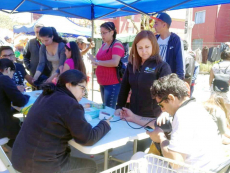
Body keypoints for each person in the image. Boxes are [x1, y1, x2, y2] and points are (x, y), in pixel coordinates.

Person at [12, 70, 111, 173]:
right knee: (91, 166)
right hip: (41, 166)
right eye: (82, 88)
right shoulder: (69, 104)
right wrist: (105, 124)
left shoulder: (47, 94)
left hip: (19, 159)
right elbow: (88, 138)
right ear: (69, 85)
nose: (83, 93)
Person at [125, 74, 224, 171]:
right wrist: (133, 117)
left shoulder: (182, 115)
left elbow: (176, 162)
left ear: (171, 98)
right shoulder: (196, 107)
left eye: (161, 104)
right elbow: (159, 124)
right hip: (209, 168)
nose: (162, 109)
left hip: (191, 169)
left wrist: (161, 138)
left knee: (138, 159)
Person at [115, 30, 171, 152]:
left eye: (147, 47)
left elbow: (167, 92)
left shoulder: (161, 66)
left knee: (143, 150)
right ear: (135, 48)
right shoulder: (131, 65)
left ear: (153, 46)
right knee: (132, 144)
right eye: (140, 48)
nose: (144, 51)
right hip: (133, 112)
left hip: (152, 116)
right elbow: (124, 87)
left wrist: (165, 111)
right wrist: (119, 106)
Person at [88, 22, 125, 109]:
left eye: (104, 33)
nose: (102, 35)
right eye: (101, 33)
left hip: (112, 84)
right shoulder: (104, 45)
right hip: (103, 83)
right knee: (105, 109)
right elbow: (100, 61)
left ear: (112, 32)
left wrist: (96, 61)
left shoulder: (117, 44)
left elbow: (115, 62)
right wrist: (94, 62)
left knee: (108, 111)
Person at [0, 58, 30, 147]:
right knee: (23, 128)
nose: (12, 77)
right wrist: (26, 96)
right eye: (12, 73)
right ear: (8, 69)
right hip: (3, 127)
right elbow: (20, 101)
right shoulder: (4, 79)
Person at [153, 12, 185, 80]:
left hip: (168, 83)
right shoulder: (154, 39)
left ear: (164, 25)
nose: (153, 26)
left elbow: (180, 66)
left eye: (156, 23)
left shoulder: (176, 40)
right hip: (154, 81)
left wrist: (177, 84)